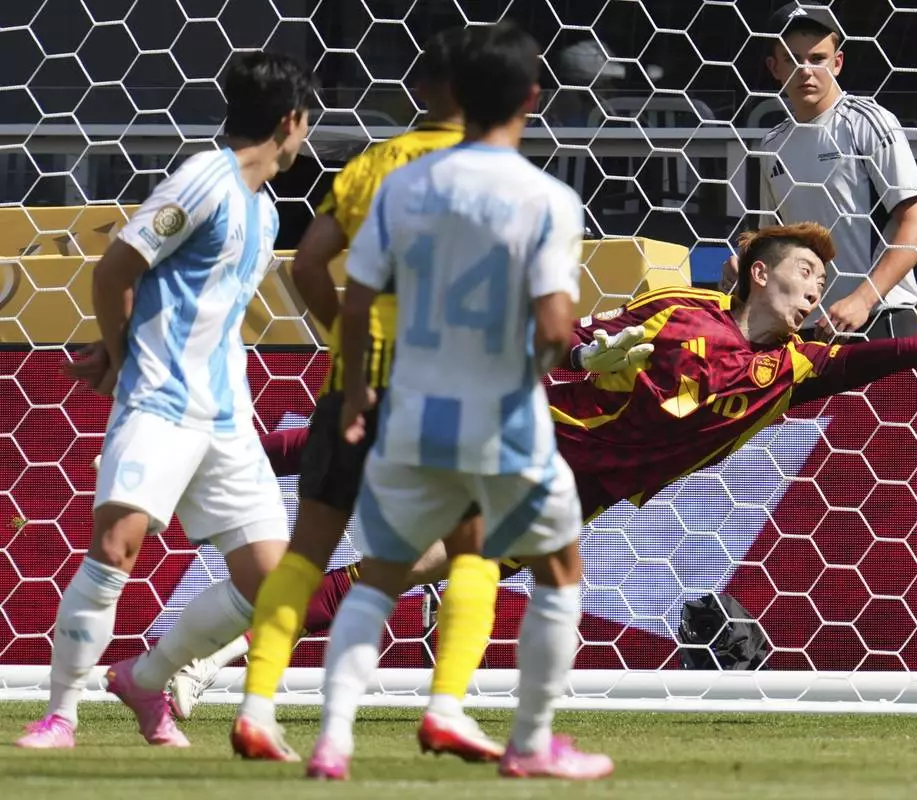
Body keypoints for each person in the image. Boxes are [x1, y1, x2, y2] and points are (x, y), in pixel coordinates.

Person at [160, 222, 917, 754]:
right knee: (365, 467)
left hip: (570, 495)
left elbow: (901, 354)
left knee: (396, 569)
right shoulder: (680, 314)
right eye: (807, 273)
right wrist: (595, 352)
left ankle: (217, 650)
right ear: (756, 273)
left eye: (824, 283)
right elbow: (582, 339)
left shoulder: (797, 370)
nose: (819, 291)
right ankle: (245, 465)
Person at [304, 21, 614, 781]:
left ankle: (332, 740)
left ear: (455, 97)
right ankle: (532, 741)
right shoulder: (547, 198)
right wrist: (568, 351)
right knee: (558, 565)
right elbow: (548, 326)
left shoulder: (404, 183)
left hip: (410, 406)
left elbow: (357, 296)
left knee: (379, 571)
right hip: (501, 415)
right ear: (532, 100)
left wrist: (357, 390)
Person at [14, 51, 314, 750]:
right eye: (307, 125)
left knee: (273, 584)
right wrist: (121, 359)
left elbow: (179, 297)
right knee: (116, 547)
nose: (306, 139)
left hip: (228, 416)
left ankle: (146, 679)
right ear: (290, 121)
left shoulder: (264, 212)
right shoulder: (205, 179)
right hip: (160, 401)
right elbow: (119, 265)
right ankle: (61, 715)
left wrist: (120, 343)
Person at [225, 27, 472, 762]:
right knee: (470, 552)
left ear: (418, 91)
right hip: (436, 397)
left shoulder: (372, 162)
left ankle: (259, 705)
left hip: (350, 389)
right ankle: (445, 708)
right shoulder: (487, 172)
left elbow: (305, 267)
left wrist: (347, 344)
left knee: (305, 556)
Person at [724, 2, 917, 342]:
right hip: (803, 326)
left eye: (817, 59)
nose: (805, 71)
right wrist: (745, 268)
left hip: (878, 316)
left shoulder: (869, 121)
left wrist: (862, 300)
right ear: (773, 67)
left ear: (837, 63)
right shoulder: (772, 144)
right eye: (792, 60)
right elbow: (774, 240)